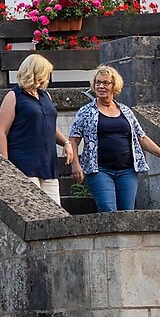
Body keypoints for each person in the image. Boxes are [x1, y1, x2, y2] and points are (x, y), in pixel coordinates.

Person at [68, 64, 160, 212]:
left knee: (127, 214)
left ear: (114, 86)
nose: (101, 86)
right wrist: (75, 164)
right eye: (98, 83)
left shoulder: (125, 110)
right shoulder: (85, 111)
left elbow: (141, 137)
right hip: (99, 170)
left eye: (105, 83)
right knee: (108, 211)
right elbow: (73, 139)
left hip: (128, 170)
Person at [0, 53, 77, 205]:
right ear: (34, 73)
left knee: (56, 213)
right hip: (24, 164)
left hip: (48, 165)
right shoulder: (14, 96)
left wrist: (66, 142)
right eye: (45, 74)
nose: (47, 78)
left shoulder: (45, 95)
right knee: (34, 210)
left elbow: (49, 125)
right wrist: (5, 165)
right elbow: (1, 132)